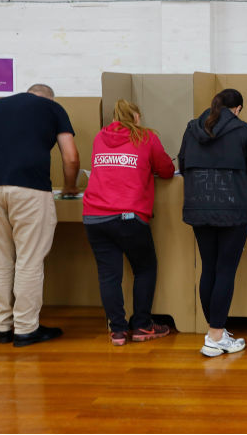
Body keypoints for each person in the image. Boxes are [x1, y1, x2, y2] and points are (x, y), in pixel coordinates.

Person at [0, 83, 80, 347]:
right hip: (29, 188)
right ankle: (25, 328)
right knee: (29, 259)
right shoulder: (52, 108)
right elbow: (70, 157)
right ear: (48, 97)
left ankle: (1, 326)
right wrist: (69, 187)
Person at [179, 89, 247, 357]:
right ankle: (215, 336)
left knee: (209, 267)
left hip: (198, 204)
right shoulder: (243, 131)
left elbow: (182, 165)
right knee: (226, 270)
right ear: (238, 108)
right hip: (233, 208)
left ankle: (214, 331)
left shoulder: (192, 128)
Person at [83, 99, 175, 346]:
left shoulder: (98, 138)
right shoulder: (146, 138)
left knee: (108, 275)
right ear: (136, 117)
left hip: (94, 216)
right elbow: (166, 169)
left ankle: (118, 331)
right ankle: (143, 325)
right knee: (144, 268)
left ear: (114, 117)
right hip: (128, 215)